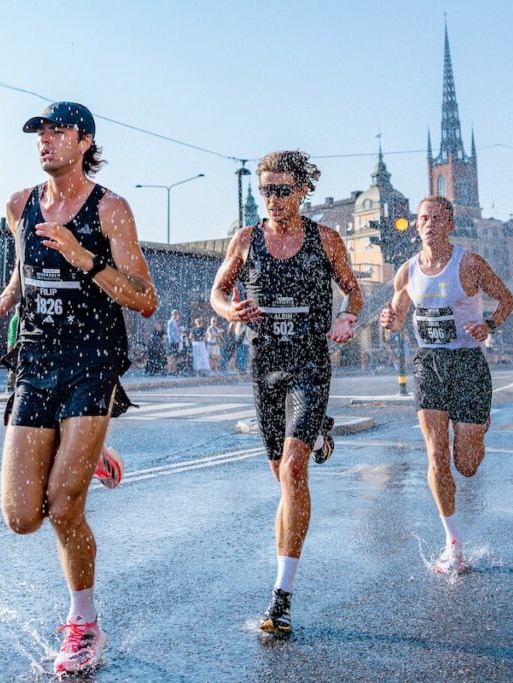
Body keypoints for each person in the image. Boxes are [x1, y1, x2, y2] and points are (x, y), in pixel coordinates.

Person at [0, 102, 158, 674]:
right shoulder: (18, 205)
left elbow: (144, 297)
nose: (45, 141)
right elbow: (24, 268)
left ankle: (83, 624)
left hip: (92, 360)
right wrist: (5, 299)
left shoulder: (112, 209)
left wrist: (83, 258)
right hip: (35, 360)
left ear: (85, 141)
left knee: (62, 507)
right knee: (20, 516)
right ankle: (87, 451)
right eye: (40, 133)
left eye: (58, 132)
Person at [209, 150, 362, 637]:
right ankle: (318, 434)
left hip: (310, 365)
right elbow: (217, 292)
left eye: (282, 189)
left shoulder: (326, 240)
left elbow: (353, 291)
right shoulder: (247, 239)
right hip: (265, 367)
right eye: (266, 190)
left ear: (301, 190)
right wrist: (229, 312)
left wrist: (346, 315)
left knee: (294, 471)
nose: (272, 199)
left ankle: (282, 598)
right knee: (281, 477)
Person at [380, 195, 513, 575]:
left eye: (437, 218)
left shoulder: (469, 264)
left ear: (450, 225)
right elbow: (397, 315)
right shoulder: (406, 271)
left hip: (468, 364)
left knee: (466, 464)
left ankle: (478, 428)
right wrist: (389, 319)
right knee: (436, 455)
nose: (428, 224)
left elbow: (507, 300)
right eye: (423, 218)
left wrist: (489, 325)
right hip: (429, 364)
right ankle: (453, 543)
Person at [6, 305, 21, 391]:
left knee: (14, 364)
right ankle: (10, 385)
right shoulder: (18, 318)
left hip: (12, 343)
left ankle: (11, 385)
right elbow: (15, 334)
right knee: (15, 365)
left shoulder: (14, 318)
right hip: (15, 343)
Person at [166, 309, 182, 374]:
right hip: (172, 342)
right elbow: (169, 332)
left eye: (176, 314)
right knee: (171, 356)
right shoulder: (170, 322)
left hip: (176, 341)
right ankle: (170, 371)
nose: (175, 315)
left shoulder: (175, 322)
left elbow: (176, 332)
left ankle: (174, 371)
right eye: (174, 314)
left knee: (175, 356)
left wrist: (179, 340)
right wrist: (173, 340)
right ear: (172, 314)